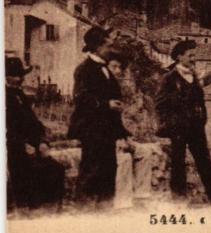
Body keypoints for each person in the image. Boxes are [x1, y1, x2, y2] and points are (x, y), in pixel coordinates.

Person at [68, 27, 131, 208]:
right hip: (91, 130)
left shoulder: (106, 69)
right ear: (96, 47)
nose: (111, 49)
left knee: (108, 172)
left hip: (107, 131)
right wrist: (106, 104)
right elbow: (81, 98)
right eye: (108, 45)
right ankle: (84, 213)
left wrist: (120, 131)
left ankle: (105, 213)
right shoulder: (84, 69)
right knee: (90, 172)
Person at [155, 40, 211, 205]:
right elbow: (159, 104)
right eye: (190, 55)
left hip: (196, 127)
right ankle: (179, 198)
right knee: (178, 161)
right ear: (179, 57)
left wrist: (202, 118)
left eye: (194, 55)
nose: (194, 59)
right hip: (178, 127)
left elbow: (200, 101)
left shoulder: (194, 77)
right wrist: (172, 121)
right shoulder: (169, 78)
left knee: (204, 160)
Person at [6, 57, 66, 212]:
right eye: (14, 76)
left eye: (21, 75)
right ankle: (25, 208)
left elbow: (33, 123)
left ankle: (51, 209)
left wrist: (41, 141)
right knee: (25, 172)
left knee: (56, 169)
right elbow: (7, 128)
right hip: (13, 147)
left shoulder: (20, 95)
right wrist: (22, 145)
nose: (19, 79)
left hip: (31, 145)